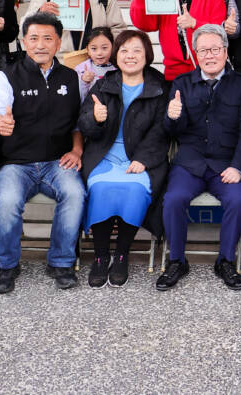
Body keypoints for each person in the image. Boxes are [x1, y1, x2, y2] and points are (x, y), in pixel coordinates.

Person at [0, 11, 85, 293]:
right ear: (24, 41)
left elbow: (78, 122)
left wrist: (77, 150)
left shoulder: (71, 77)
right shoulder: (7, 76)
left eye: (48, 38)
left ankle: (61, 262)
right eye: (34, 38)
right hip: (17, 163)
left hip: (57, 161)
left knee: (75, 194)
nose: (40, 45)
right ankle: (6, 265)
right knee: (7, 201)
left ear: (58, 42)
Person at [158, 24, 241, 291]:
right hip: (190, 162)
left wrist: (238, 166)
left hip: (226, 163)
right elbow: (172, 131)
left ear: (225, 51)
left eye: (215, 49)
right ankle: (177, 260)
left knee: (238, 199)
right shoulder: (182, 83)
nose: (209, 55)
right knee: (173, 199)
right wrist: (172, 116)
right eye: (203, 51)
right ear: (195, 54)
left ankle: (226, 260)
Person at [77, 29, 169, 288]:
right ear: (116, 55)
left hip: (141, 158)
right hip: (104, 155)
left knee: (134, 188)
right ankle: (100, 256)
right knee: (100, 187)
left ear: (147, 55)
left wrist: (143, 159)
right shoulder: (104, 84)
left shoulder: (159, 86)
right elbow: (85, 124)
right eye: (125, 50)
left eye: (137, 50)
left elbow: (162, 130)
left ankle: (121, 254)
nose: (130, 56)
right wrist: (96, 119)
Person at [130, 0, 227, 83]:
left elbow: (219, 33)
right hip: (173, 73)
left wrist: (194, 23)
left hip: (206, 71)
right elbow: (145, 25)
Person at [75, 27, 115, 100]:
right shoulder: (80, 70)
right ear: (88, 50)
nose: (99, 53)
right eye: (94, 49)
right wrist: (84, 82)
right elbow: (76, 98)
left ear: (112, 47)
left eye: (104, 48)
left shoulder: (118, 70)